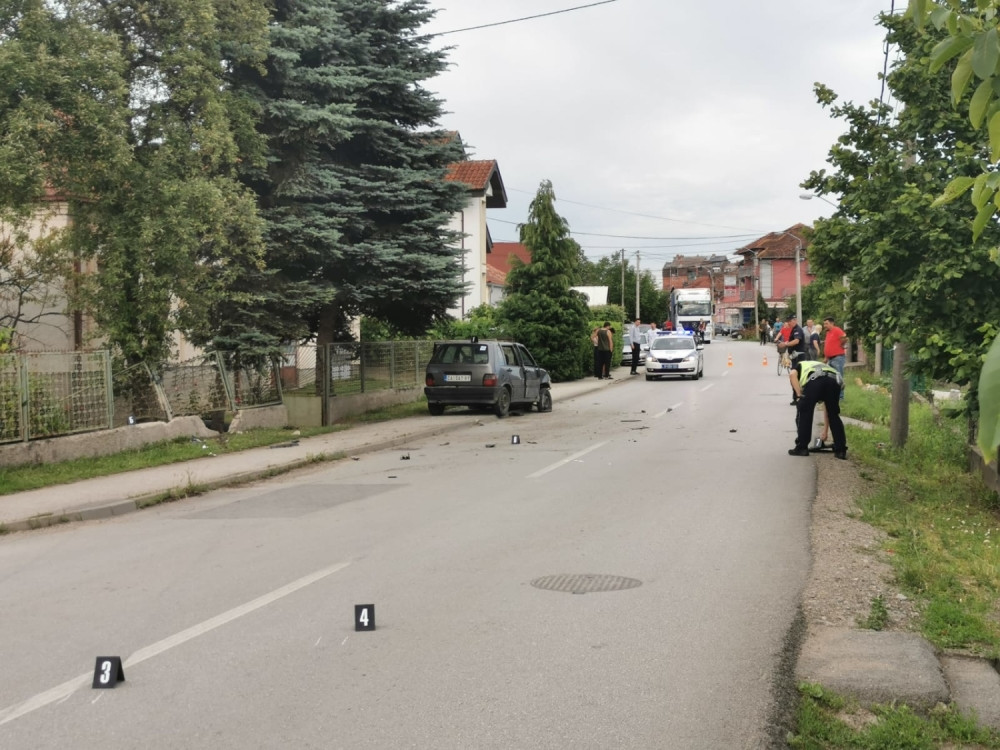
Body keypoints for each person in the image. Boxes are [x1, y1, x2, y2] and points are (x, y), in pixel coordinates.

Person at [787, 359, 847, 460]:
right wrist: (825, 431)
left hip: (815, 380)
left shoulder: (800, 364)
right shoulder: (820, 365)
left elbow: (792, 375)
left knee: (804, 411)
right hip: (834, 381)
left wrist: (798, 394)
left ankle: (802, 447)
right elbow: (827, 410)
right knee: (834, 414)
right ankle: (840, 450)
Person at [783, 314, 808, 405]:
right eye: (788, 321)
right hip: (795, 357)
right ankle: (797, 397)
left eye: (790, 321)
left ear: (795, 320)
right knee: (794, 377)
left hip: (799, 357)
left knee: (795, 377)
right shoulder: (793, 330)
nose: (789, 323)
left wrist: (786, 344)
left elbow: (796, 341)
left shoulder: (798, 329)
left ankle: (798, 397)